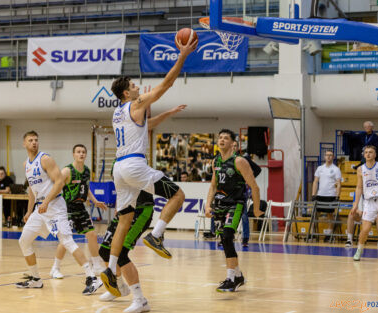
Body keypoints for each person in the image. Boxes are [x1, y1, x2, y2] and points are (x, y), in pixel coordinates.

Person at [100, 36, 197, 297]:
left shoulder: (118, 112)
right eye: (133, 85)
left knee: (123, 220)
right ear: (126, 93)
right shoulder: (137, 103)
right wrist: (183, 55)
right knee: (178, 195)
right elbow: (167, 83)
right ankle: (156, 234)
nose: (137, 87)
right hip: (134, 166)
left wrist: (168, 113)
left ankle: (110, 270)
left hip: (118, 169)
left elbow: (146, 127)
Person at [16, 130, 100, 294]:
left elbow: (60, 182)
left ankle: (92, 278)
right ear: (24, 144)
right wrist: (28, 211)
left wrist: (46, 202)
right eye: (30, 140)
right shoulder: (26, 164)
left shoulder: (45, 159)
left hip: (54, 206)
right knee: (24, 241)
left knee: (67, 241)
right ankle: (35, 279)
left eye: (36, 140)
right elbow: (32, 190)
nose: (34, 142)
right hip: (40, 209)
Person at [205, 129, 262, 292]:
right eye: (220, 137)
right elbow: (213, 186)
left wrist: (256, 209)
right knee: (224, 240)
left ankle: (230, 279)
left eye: (226, 138)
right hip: (220, 205)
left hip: (235, 204)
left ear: (232, 143)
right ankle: (238, 276)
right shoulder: (216, 161)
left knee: (227, 236)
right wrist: (208, 205)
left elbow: (254, 187)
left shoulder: (239, 161)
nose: (222, 140)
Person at [49, 144, 108, 288]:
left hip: (81, 207)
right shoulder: (67, 171)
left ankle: (96, 265)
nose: (81, 154)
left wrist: (95, 201)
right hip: (66, 208)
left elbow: (86, 189)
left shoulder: (87, 171)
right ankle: (55, 268)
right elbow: (55, 185)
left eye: (83, 152)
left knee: (92, 235)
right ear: (73, 154)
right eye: (78, 152)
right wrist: (50, 203)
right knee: (65, 240)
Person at [99, 190, 154, 312]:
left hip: (140, 209)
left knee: (121, 253)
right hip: (124, 210)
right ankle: (118, 287)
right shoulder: (116, 170)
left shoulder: (139, 170)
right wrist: (119, 205)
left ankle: (140, 300)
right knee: (104, 250)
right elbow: (120, 186)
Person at [311, 150, 341, 242]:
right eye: (327, 155)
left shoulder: (336, 169)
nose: (328, 157)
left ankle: (329, 234)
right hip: (320, 195)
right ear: (324, 157)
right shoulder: (320, 168)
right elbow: (315, 182)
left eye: (330, 155)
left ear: (333, 157)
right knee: (315, 214)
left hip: (330, 195)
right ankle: (312, 233)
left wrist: (337, 196)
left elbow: (339, 183)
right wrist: (313, 194)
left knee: (330, 215)